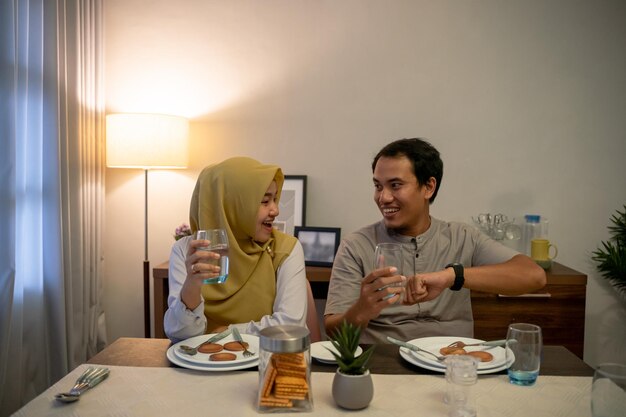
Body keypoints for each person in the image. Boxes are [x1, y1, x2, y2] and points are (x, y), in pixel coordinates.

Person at [324, 138, 546, 343]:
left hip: (452, 363)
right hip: (384, 365)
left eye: (396, 185)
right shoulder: (356, 245)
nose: (383, 197)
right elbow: (334, 333)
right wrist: (363, 308)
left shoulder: (462, 237)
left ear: (429, 187)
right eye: (378, 186)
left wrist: (452, 276)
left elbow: (533, 276)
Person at [164, 157, 307, 342]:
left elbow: (290, 327)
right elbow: (179, 335)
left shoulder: (286, 249)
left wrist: (228, 332)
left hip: (262, 363)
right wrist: (191, 285)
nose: (275, 210)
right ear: (230, 206)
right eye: (265, 201)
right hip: (199, 364)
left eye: (274, 199)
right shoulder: (187, 251)